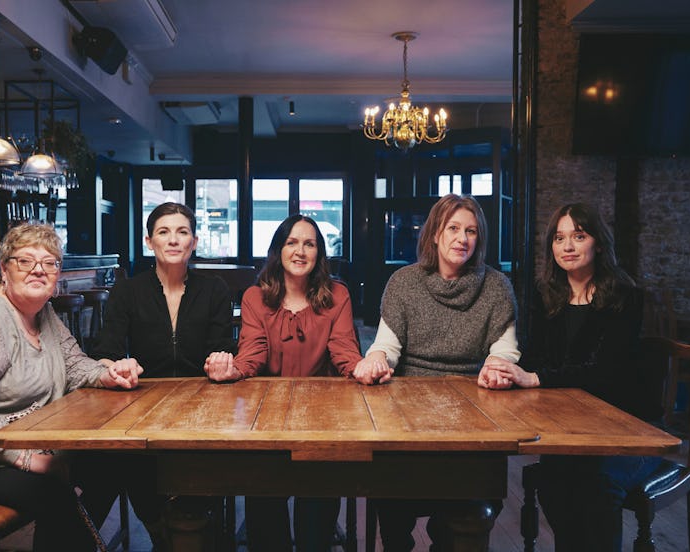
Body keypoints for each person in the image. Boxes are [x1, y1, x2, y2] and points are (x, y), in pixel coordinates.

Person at [0, 222, 143, 552]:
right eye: (25, 261)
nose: (39, 269)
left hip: (23, 447)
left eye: (49, 262)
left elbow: (74, 364)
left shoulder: (42, 312)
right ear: (4, 269)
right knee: (54, 494)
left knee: (113, 463)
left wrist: (108, 373)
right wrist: (31, 460)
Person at [478, 202, 661, 552]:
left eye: (579, 235)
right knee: (552, 482)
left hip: (633, 431)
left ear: (598, 244)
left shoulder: (626, 297)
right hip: (575, 429)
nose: (568, 246)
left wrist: (535, 378)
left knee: (597, 483)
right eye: (559, 238)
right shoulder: (548, 295)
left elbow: (607, 372)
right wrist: (505, 371)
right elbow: (533, 358)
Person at [353, 194, 520, 551]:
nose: (463, 239)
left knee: (467, 509)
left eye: (471, 231)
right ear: (434, 234)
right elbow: (386, 345)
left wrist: (496, 369)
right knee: (392, 497)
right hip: (409, 409)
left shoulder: (496, 287)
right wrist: (376, 358)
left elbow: (504, 352)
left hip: (471, 406)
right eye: (454, 228)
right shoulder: (403, 282)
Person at [205, 214, 365, 552]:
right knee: (265, 515)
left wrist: (365, 368)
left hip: (323, 419)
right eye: (292, 242)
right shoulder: (255, 297)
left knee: (316, 520)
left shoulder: (338, 295)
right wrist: (230, 369)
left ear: (319, 253)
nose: (300, 250)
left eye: (309, 243)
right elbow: (253, 353)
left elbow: (344, 352)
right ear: (278, 250)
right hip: (265, 419)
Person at [85, 202, 237, 546]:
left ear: (194, 242)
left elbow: (224, 347)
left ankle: (194, 524)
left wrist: (223, 361)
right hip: (143, 406)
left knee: (211, 468)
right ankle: (158, 527)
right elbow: (105, 352)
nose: (173, 240)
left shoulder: (214, 290)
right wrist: (116, 366)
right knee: (121, 462)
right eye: (163, 232)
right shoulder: (128, 291)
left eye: (182, 232)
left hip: (203, 408)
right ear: (149, 241)